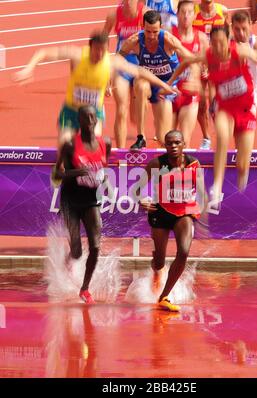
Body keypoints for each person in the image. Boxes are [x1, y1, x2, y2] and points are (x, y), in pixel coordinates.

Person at [168, 25, 257, 206]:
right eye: (215, 43)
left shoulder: (241, 51)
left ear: (228, 41)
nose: (219, 47)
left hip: (245, 109)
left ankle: (242, 185)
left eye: (222, 43)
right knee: (222, 136)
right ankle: (217, 186)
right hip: (225, 107)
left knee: (242, 165)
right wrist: (171, 82)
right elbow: (186, 63)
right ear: (211, 43)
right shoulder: (209, 55)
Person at [14, 31, 177, 148]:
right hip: (71, 110)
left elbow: (141, 71)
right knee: (64, 147)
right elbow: (43, 52)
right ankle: (60, 175)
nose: (100, 54)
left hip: (94, 113)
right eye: (97, 50)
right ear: (90, 47)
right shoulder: (77, 56)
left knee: (92, 146)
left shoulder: (111, 62)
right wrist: (29, 68)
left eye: (103, 50)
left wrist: (164, 85)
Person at [133, 130, 206, 311]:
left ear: (184, 144)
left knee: (183, 251)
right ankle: (157, 270)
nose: (173, 146)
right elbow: (136, 189)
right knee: (159, 260)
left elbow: (202, 192)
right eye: (169, 143)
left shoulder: (194, 164)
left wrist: (201, 213)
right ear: (164, 145)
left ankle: (164, 296)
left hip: (184, 213)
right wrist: (141, 200)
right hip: (161, 212)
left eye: (177, 143)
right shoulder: (156, 164)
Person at [52, 105, 111, 304]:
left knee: (95, 246)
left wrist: (104, 180)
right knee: (76, 251)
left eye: (93, 117)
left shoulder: (105, 143)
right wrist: (78, 173)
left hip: (91, 201)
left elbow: (103, 168)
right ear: (80, 121)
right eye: (85, 118)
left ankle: (85, 289)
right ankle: (65, 267)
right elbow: (57, 174)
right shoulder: (70, 145)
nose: (90, 121)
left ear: (96, 120)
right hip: (70, 202)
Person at [119, 10, 192, 148]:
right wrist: (110, 79)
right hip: (148, 82)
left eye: (155, 32)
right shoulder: (134, 40)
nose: (151, 36)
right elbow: (117, 58)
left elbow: (189, 57)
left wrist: (200, 72)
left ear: (161, 28)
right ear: (142, 27)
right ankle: (141, 137)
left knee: (162, 137)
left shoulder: (168, 40)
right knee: (140, 84)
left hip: (165, 86)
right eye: (148, 32)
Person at [102, 0, 147, 148]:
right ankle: (121, 153)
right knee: (121, 109)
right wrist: (106, 70)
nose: (128, 2)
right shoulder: (114, 15)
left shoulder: (144, 13)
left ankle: (141, 137)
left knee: (135, 115)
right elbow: (103, 39)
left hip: (140, 64)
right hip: (121, 63)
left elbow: (158, 38)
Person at [171, 0, 209, 148]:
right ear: (177, 14)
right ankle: (166, 171)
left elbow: (209, 64)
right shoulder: (169, 35)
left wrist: (205, 70)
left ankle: (181, 171)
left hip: (190, 95)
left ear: (195, 15)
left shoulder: (201, 39)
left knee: (183, 143)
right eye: (183, 12)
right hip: (171, 93)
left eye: (189, 12)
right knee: (165, 140)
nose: (186, 16)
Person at [192, 0, 229, 150]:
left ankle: (221, 135)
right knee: (201, 104)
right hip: (199, 64)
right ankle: (206, 137)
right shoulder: (192, 11)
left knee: (216, 103)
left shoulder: (223, 11)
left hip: (216, 64)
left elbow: (227, 38)